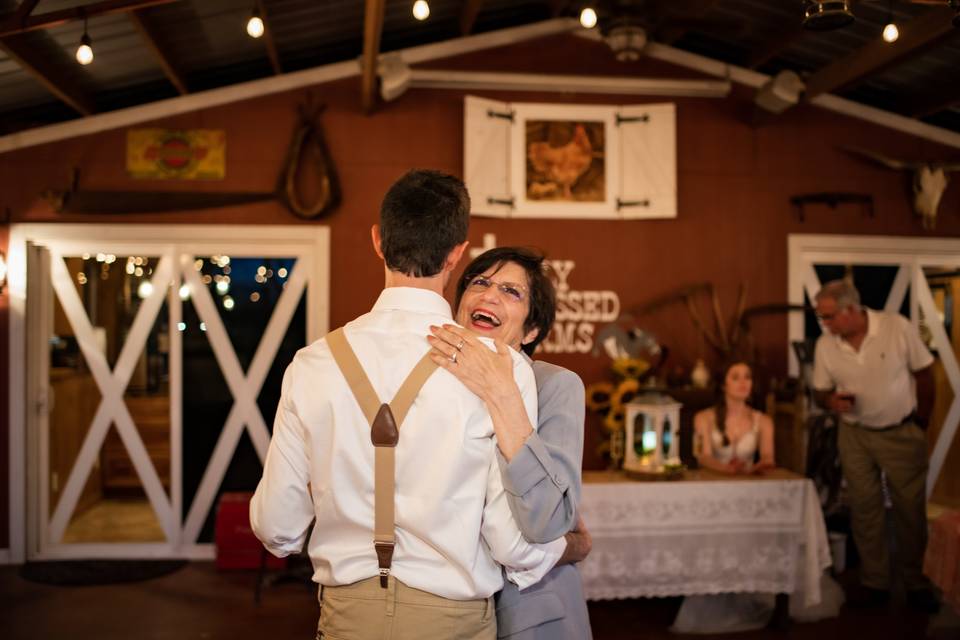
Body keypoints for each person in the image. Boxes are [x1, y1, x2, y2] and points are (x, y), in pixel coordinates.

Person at [250, 170, 569, 640]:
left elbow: (277, 527)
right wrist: (558, 545)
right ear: (458, 252)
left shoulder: (312, 364)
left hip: (345, 617)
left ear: (378, 242)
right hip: (453, 621)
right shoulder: (499, 367)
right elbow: (511, 542)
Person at [427, 247, 593, 639]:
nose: (489, 295)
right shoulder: (426, 383)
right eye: (479, 283)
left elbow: (548, 516)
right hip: (445, 610)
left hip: (529, 608)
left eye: (510, 291)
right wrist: (571, 546)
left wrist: (501, 394)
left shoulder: (554, 386)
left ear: (531, 331)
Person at [812, 279, 938, 613]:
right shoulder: (827, 345)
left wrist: (920, 423)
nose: (825, 324)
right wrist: (830, 400)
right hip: (855, 434)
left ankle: (915, 581)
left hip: (900, 431)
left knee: (909, 511)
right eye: (822, 318)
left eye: (829, 317)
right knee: (865, 509)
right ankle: (875, 582)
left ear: (851, 310)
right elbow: (819, 391)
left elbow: (926, 375)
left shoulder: (896, 328)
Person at [693, 360, 775, 474]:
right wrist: (727, 469)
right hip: (712, 485)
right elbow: (703, 457)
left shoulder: (764, 421)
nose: (743, 383)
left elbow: (768, 457)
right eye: (736, 378)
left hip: (748, 484)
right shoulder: (702, 418)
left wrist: (758, 467)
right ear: (723, 385)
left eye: (747, 377)